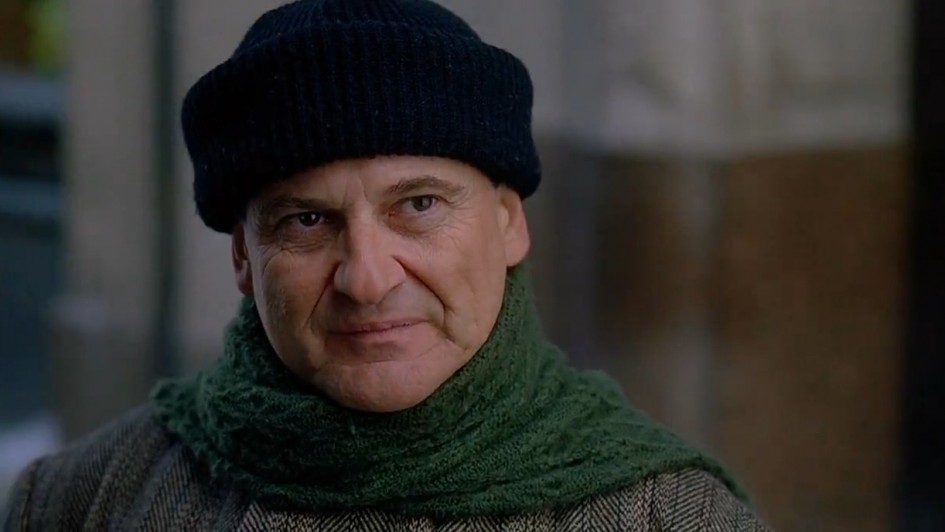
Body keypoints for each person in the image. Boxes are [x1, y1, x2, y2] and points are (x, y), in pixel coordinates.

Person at [3, 0, 770, 529]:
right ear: (243, 256)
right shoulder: (83, 501)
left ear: (509, 224)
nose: (367, 280)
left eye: (419, 205)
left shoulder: (671, 516)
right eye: (308, 221)